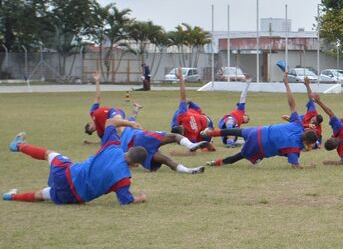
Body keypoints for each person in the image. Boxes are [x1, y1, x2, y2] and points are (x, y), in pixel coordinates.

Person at [4, 123, 148, 205]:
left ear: (129, 149)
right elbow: (126, 200)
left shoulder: (113, 146)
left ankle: (18, 146)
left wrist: (128, 123)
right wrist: (141, 198)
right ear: (136, 164)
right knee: (41, 195)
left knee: (50, 154)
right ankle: (11, 197)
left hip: (65, 174)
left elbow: (110, 122)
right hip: (73, 197)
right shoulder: (124, 179)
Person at [202, 72, 318, 169]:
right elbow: (295, 166)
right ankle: (215, 163)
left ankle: (209, 133)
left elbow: (292, 104)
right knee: (239, 156)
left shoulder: (298, 124)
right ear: (308, 143)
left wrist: (287, 85)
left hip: (257, 131)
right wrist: (309, 167)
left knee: (232, 131)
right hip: (259, 145)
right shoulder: (295, 149)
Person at [170, 67, 216, 153]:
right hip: (202, 125)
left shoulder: (181, 116)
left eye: (182, 127)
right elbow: (192, 149)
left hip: (207, 122)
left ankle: (209, 137)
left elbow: (183, 95)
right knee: (205, 142)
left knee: (206, 137)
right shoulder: (189, 135)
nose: (183, 127)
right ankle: (209, 140)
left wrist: (181, 79)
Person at [84, 71, 141, 139]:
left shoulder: (93, 113)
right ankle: (136, 109)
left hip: (112, 112)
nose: (95, 128)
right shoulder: (100, 132)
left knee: (120, 126)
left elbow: (98, 97)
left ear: (90, 123)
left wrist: (97, 81)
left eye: (92, 127)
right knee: (122, 130)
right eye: (93, 130)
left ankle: (134, 130)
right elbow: (105, 142)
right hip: (114, 120)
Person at [282, 77, 324, 148]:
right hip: (300, 121)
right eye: (313, 119)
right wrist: (307, 85)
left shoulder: (317, 128)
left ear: (317, 124)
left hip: (304, 129)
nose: (312, 121)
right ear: (314, 116)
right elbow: (311, 98)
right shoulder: (312, 112)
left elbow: (314, 135)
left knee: (306, 134)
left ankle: (309, 145)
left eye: (314, 122)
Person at [218, 81, 252, 147]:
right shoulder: (241, 111)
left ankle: (230, 143)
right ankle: (230, 129)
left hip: (225, 132)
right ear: (245, 115)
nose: (246, 120)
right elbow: (243, 96)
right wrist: (247, 83)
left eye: (246, 122)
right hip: (226, 120)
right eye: (247, 118)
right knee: (231, 121)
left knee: (235, 132)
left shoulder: (238, 125)